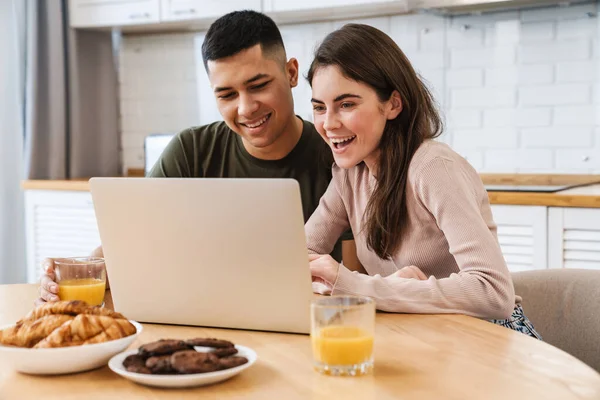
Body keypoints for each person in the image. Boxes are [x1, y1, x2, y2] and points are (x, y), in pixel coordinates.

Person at [35, 10, 355, 306]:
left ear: (291, 73)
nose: (245, 108)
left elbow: (356, 284)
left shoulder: (337, 155)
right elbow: (129, 244)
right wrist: (74, 275)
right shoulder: (192, 151)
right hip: (202, 318)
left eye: (258, 86)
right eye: (227, 95)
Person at [305, 23, 541, 339]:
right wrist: (391, 289)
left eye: (346, 104)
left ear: (392, 104)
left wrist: (361, 285)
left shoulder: (432, 167)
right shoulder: (350, 174)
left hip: (492, 336)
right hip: (428, 336)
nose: (328, 123)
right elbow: (298, 258)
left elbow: (493, 292)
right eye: (319, 108)